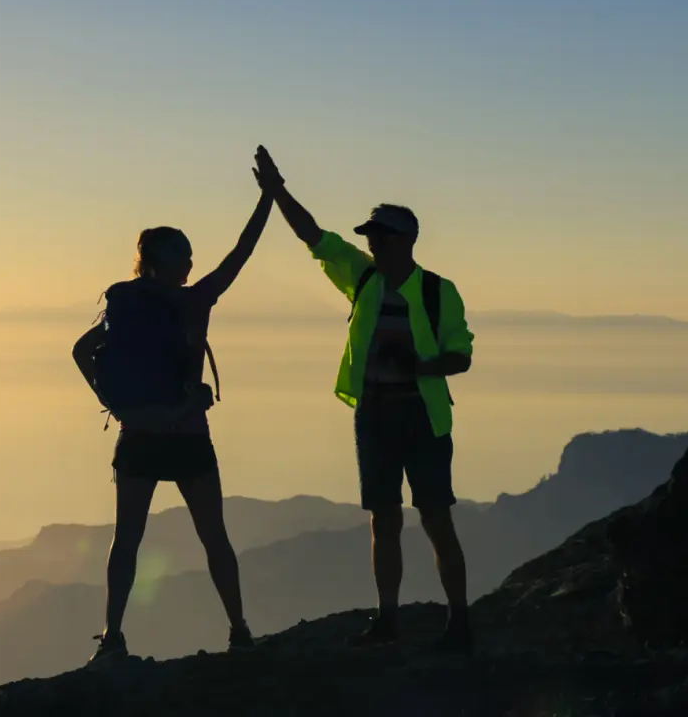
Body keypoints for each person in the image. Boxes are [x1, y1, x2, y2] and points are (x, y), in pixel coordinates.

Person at [252, 145, 476, 652]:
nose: (373, 242)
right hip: (374, 411)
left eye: (383, 235)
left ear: (408, 239)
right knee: (384, 517)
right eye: (372, 235)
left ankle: (458, 621)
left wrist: (420, 365)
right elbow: (314, 237)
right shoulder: (363, 278)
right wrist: (278, 191)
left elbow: (461, 355)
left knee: (436, 517)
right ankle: (389, 618)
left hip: (420, 415)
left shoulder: (440, 292)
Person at [71, 166, 275, 663]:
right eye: (185, 255)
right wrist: (269, 197)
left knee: (127, 541)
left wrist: (117, 405)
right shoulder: (194, 301)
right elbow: (241, 254)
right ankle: (240, 631)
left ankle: (112, 637)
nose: (191, 262)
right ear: (171, 262)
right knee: (214, 538)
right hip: (187, 434)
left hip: (137, 434)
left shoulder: (124, 306)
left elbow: (81, 350)